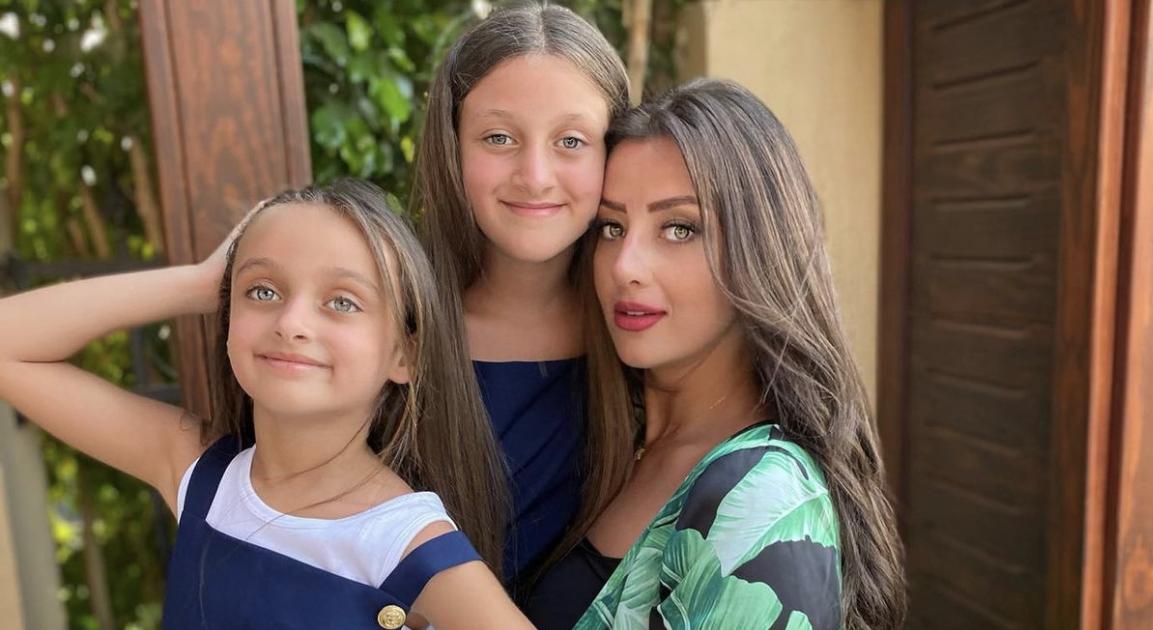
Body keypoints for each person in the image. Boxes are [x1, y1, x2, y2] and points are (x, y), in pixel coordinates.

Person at [0, 180, 532, 629]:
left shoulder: (405, 543)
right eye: (262, 291)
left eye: (342, 301)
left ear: (405, 355)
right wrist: (198, 283)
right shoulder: (203, 477)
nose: (291, 323)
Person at [524, 80, 907, 629]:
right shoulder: (608, 445)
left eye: (679, 228)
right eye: (612, 226)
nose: (624, 265)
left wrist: (445, 576)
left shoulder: (762, 497)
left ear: (762, 248)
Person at [413, 2, 630, 588]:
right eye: (499, 137)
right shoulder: (394, 324)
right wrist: (213, 280)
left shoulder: (642, 330)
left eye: (571, 140)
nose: (535, 176)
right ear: (452, 146)